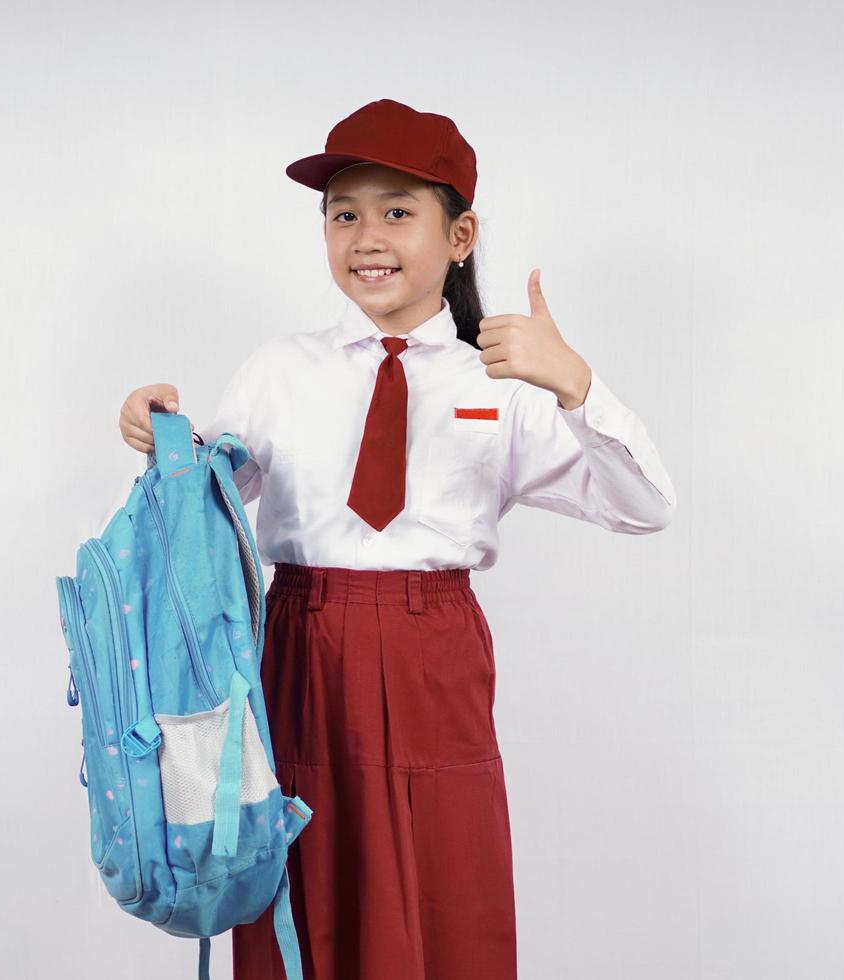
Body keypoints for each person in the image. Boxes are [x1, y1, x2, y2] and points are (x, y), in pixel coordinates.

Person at [116, 98, 677, 980]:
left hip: (432, 649)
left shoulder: (498, 381)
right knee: (302, 866)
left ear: (460, 236)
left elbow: (644, 507)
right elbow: (205, 512)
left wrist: (576, 387)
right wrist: (163, 438)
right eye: (344, 214)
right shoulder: (278, 372)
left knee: (444, 876)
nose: (366, 236)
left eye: (397, 212)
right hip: (300, 642)